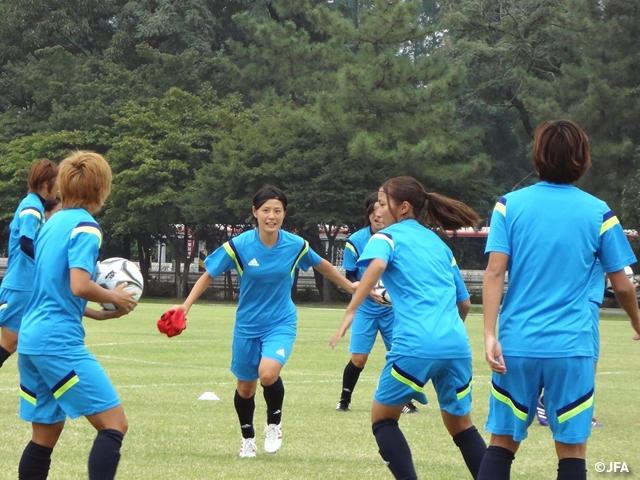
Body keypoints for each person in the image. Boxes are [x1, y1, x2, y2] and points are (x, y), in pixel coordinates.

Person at [479, 120, 640, 480]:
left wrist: (490, 334)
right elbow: (624, 286)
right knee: (571, 452)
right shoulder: (600, 212)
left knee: (501, 444)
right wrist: (636, 321)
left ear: (537, 157)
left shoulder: (508, 206)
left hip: (516, 345)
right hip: (571, 347)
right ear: (583, 159)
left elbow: (494, 273)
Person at [174, 186, 356, 459]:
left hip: (280, 321)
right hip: (247, 325)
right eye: (266, 210)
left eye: (277, 211)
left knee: (268, 373)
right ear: (255, 212)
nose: (272, 216)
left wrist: (352, 287)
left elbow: (323, 265)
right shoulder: (240, 245)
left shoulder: (296, 245)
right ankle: (248, 439)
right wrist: (185, 306)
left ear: (284, 214)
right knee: (246, 387)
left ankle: (274, 424)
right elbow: (208, 274)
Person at [330, 176, 487, 480]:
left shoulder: (385, 238)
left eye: (381, 200)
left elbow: (374, 268)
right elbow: (464, 303)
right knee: (462, 426)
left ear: (402, 207)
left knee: (383, 420)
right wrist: (443, 336)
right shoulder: (440, 245)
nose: (377, 208)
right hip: (456, 343)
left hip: (416, 343)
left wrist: (351, 311)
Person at [16, 151, 138, 480]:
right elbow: (79, 284)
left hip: (31, 340)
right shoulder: (86, 227)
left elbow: (53, 287)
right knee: (114, 424)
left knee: (44, 437)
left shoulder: (52, 222)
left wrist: (99, 315)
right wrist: (115, 297)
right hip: (57, 342)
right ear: (102, 187)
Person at [335, 192, 419, 414]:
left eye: (381, 209)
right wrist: (366, 289)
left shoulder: (397, 238)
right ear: (369, 214)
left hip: (393, 310)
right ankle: (344, 399)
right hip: (365, 307)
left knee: (399, 354)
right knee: (359, 358)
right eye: (373, 211)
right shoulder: (356, 241)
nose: (377, 215)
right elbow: (351, 275)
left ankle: (405, 401)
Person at [0, 159, 59, 372]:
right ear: (45, 183)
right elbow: (26, 243)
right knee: (9, 343)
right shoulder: (32, 207)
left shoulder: (32, 205)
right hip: (21, 285)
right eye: (57, 181)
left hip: (25, 284)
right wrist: (50, 264)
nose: (59, 187)